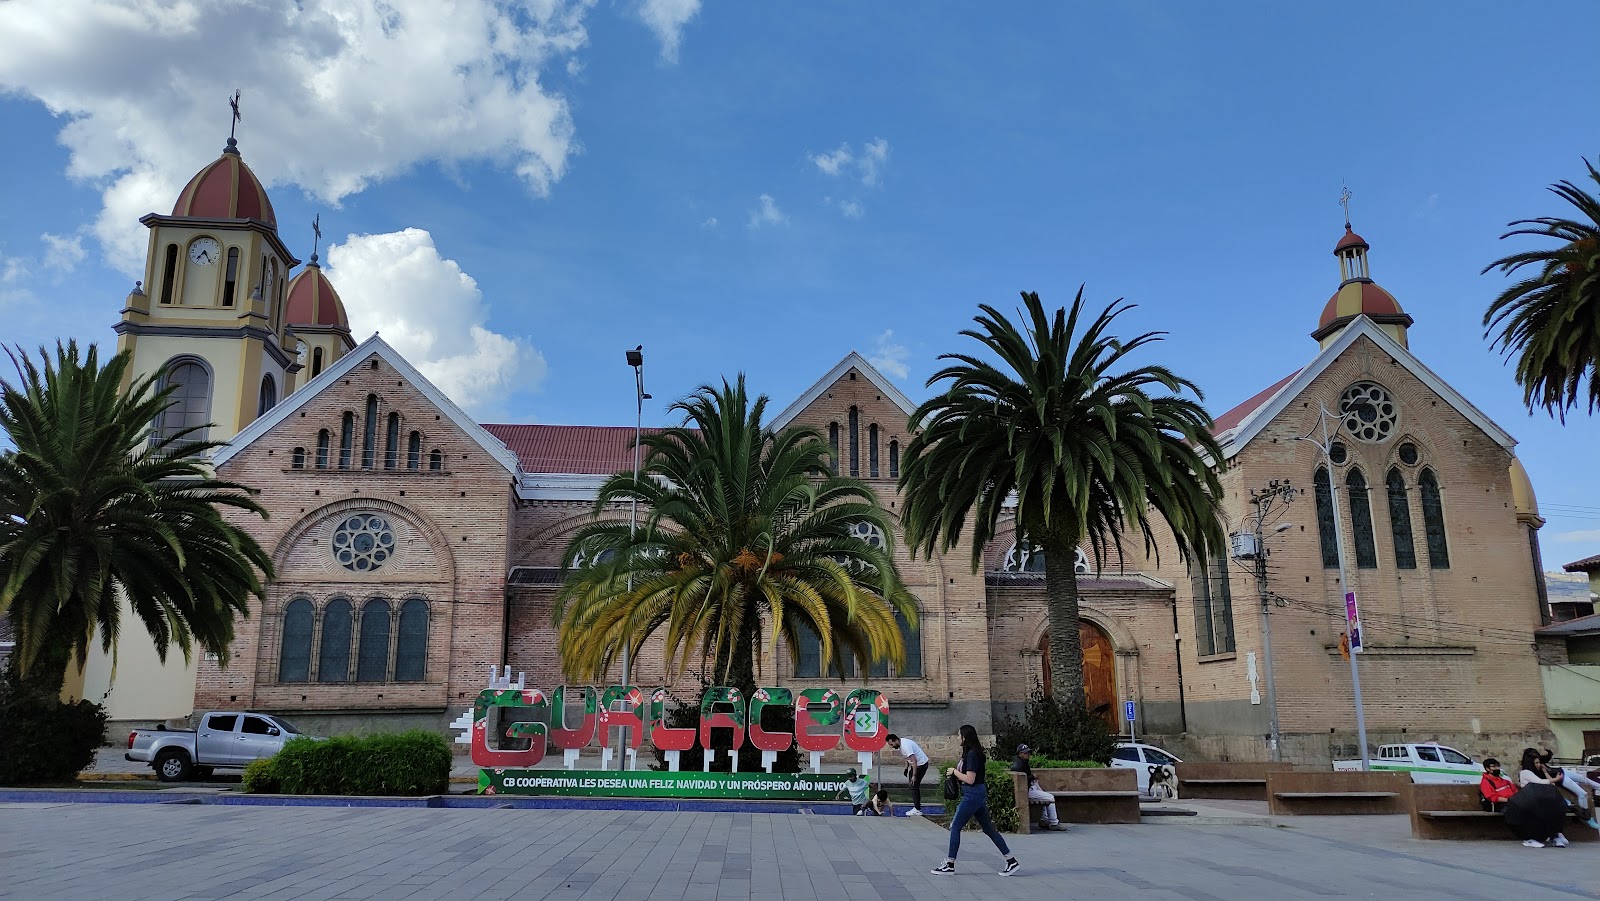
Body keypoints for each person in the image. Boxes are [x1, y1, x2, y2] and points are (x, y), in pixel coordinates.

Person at [932, 724, 1021, 877]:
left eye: (959, 735)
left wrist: (954, 772)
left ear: (965, 737)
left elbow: (970, 779)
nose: (957, 738)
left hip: (972, 794)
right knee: (988, 829)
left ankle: (950, 863)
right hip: (976, 794)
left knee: (955, 826)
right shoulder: (971, 753)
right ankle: (1011, 860)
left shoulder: (973, 754)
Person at [1511, 748, 1570, 847]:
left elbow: (1552, 785)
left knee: (1558, 809)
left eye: (1539, 762)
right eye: (1536, 763)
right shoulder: (1525, 772)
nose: (1539, 764)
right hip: (1528, 802)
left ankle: (1555, 835)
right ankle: (1531, 839)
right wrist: (1556, 779)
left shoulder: (1538, 772)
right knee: (1543, 813)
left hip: (1540, 800)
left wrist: (1545, 771)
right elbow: (1539, 782)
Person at [1538, 748, 1600, 829]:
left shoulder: (1540, 762)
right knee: (1582, 794)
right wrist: (1545, 771)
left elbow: (1548, 756)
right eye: (1536, 762)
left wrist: (1546, 752)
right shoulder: (1538, 770)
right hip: (1560, 778)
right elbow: (1549, 780)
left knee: (1584, 779)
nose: (1538, 763)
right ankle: (1586, 817)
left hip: (1561, 771)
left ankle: (1598, 786)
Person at [1011, 744, 1062, 830]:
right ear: (1020, 753)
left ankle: (1044, 820)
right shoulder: (1018, 765)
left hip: (1030, 787)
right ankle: (1053, 823)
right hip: (1025, 791)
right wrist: (1033, 777)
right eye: (1026, 753)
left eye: (1028, 752)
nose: (1028, 754)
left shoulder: (1022, 762)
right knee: (1050, 797)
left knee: (1045, 796)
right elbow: (1021, 781)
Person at [886, 733, 930, 816]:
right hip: (916, 765)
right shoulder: (901, 745)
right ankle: (916, 807)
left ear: (896, 740)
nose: (891, 747)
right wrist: (906, 769)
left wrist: (914, 775)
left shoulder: (906, 746)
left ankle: (917, 809)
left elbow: (914, 760)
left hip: (921, 764)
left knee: (914, 785)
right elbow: (907, 758)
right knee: (912, 785)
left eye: (892, 744)